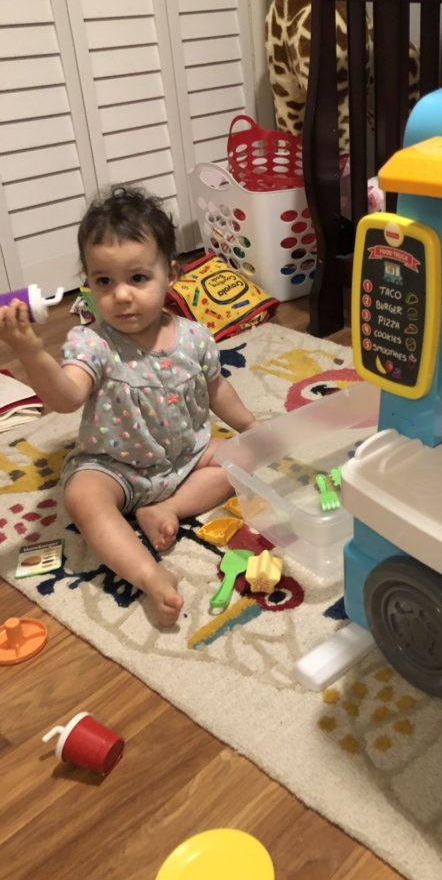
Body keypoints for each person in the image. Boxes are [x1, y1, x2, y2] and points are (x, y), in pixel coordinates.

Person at [0, 186, 258, 626]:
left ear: (170, 274)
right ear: (88, 281)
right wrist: (31, 353)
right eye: (104, 281)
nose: (120, 295)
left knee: (247, 456)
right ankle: (149, 576)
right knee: (81, 496)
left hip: (186, 457)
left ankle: (168, 509)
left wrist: (254, 427)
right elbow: (65, 398)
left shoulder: (194, 338)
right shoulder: (92, 341)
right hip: (115, 466)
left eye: (137, 278)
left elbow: (218, 391)